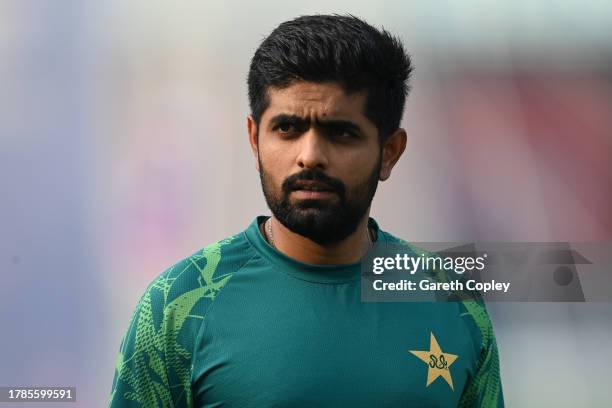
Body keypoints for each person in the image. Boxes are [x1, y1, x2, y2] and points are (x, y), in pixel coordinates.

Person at [109, 14, 504, 407]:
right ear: (254, 140)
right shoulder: (179, 303)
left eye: (341, 133)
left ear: (389, 152)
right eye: (287, 129)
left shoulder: (453, 303)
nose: (310, 156)